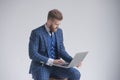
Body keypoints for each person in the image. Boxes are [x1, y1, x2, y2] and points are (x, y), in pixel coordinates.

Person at [29, 9, 81, 80]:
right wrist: (52, 61)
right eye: (56, 24)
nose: (58, 26)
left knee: (76, 74)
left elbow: (61, 51)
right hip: (41, 66)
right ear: (49, 21)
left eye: (59, 24)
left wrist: (73, 61)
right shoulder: (36, 33)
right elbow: (32, 54)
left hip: (57, 66)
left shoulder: (59, 32)